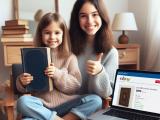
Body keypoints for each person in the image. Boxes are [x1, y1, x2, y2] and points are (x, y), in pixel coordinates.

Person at [16, 13, 82, 120]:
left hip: (66, 105)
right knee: (22, 102)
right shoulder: (32, 55)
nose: (52, 37)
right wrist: (22, 82)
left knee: (95, 100)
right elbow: (23, 87)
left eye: (57, 33)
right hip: (41, 107)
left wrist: (57, 74)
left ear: (63, 35)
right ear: (41, 35)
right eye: (47, 33)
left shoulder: (70, 57)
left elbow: (75, 86)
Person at [69, 0, 119, 101]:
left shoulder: (111, 52)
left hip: (89, 105)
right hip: (64, 101)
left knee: (95, 100)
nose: (90, 21)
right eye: (83, 16)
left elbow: (107, 95)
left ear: (102, 16)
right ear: (77, 19)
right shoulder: (67, 45)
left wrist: (99, 72)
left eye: (95, 14)